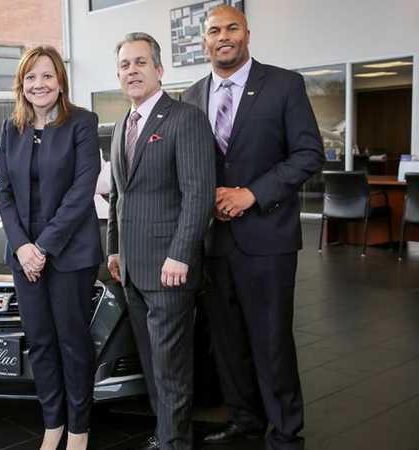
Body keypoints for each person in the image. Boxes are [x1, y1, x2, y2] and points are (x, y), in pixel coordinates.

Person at [181, 6, 325, 450]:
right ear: (203, 41)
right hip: (214, 240)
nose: (223, 37)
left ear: (247, 34)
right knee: (226, 342)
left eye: (231, 28)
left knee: (271, 340)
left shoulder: (283, 85)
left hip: (267, 237)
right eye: (213, 31)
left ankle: (285, 431)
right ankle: (244, 421)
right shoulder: (189, 97)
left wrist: (251, 194)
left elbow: (308, 154)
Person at [106, 32, 215, 450]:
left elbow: (198, 194)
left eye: (139, 62)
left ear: (158, 69)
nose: (131, 70)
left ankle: (175, 442)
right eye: (124, 65)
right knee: (151, 363)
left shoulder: (184, 118)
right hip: (133, 268)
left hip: (170, 268)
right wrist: (115, 249)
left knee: (170, 363)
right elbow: (119, 194)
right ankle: (164, 434)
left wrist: (180, 254)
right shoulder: (122, 125)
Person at [0, 45, 101, 450]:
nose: (39, 84)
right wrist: (23, 247)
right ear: (21, 85)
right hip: (26, 256)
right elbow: (4, 194)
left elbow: (81, 191)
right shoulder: (12, 128)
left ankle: (78, 430)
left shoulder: (82, 123)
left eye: (46, 75)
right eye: (30, 77)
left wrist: (43, 247)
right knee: (39, 341)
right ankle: (52, 423)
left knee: (72, 342)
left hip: (70, 251)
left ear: (60, 81)